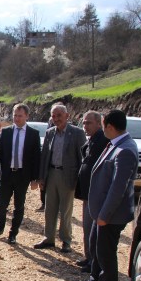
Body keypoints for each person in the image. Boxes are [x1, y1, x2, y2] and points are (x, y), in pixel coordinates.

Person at [74, 109, 138, 281]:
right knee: (95, 246)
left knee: (106, 252)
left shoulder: (125, 149)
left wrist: (105, 215)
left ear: (110, 127)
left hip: (110, 214)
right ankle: (94, 279)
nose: (103, 131)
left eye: (103, 127)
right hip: (100, 211)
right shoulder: (115, 144)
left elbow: (118, 188)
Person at [34, 104, 86, 253]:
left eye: (59, 116)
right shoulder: (50, 133)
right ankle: (49, 238)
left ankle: (66, 240)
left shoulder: (77, 133)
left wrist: (79, 179)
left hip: (67, 176)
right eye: (53, 116)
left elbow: (82, 158)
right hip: (51, 174)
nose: (56, 119)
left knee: (66, 211)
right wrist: (41, 177)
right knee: (49, 209)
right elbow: (44, 156)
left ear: (67, 116)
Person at [0, 103, 41, 244]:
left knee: (19, 206)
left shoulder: (33, 134)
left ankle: (13, 234)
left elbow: (36, 158)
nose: (17, 119)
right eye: (15, 115)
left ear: (27, 116)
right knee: (1, 204)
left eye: (20, 116)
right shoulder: (5, 132)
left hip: (22, 176)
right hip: (6, 174)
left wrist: (35, 178)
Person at [73, 111, 108, 272]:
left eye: (88, 123)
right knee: (87, 227)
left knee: (92, 228)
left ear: (98, 123)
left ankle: (93, 261)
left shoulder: (102, 141)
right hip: (87, 192)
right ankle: (88, 257)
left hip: (95, 193)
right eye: (84, 123)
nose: (85, 126)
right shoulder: (92, 140)